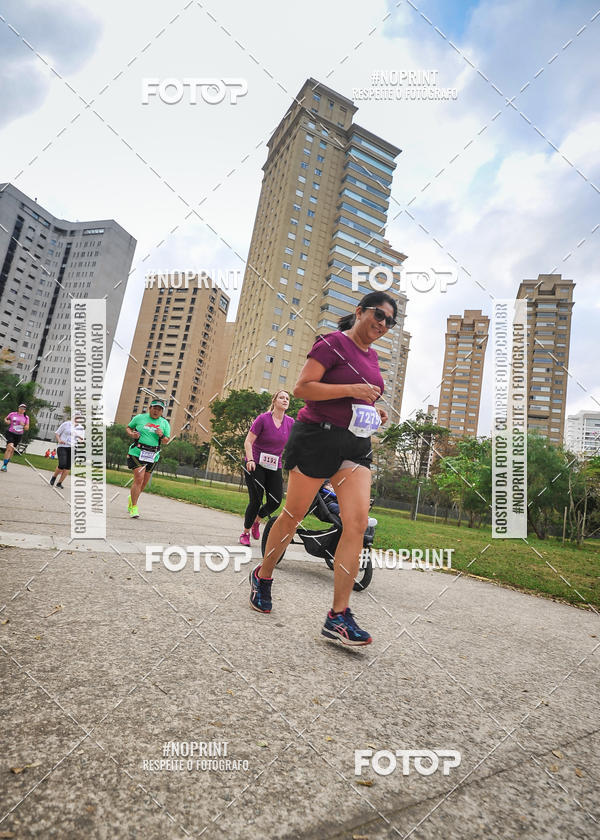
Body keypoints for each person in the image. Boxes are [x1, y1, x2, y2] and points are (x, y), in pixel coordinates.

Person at [251, 291, 396, 646]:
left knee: (357, 523)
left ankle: (339, 616)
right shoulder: (331, 344)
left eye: (390, 321)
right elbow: (303, 388)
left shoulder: (374, 358)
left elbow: (360, 398)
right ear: (360, 311)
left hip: (355, 444)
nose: (382, 323)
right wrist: (351, 388)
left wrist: (373, 411)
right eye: (378, 314)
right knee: (293, 515)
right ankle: (263, 576)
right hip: (316, 438)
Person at [240, 390, 294, 546]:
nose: (285, 400)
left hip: (274, 465)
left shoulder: (290, 422)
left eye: (287, 398)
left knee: (276, 500)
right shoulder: (263, 419)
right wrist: (249, 459)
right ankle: (245, 533)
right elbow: (248, 441)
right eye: (281, 397)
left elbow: (298, 442)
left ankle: (257, 520)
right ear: (275, 401)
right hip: (255, 463)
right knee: (256, 500)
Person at [125, 399, 171, 518]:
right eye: (154, 408)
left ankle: (132, 498)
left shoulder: (164, 423)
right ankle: (134, 507)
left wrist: (162, 435)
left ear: (162, 412)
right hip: (137, 452)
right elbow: (128, 428)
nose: (156, 411)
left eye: (159, 409)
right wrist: (132, 434)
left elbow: (166, 441)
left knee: (144, 483)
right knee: (139, 478)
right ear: (150, 408)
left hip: (152, 455)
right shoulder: (140, 418)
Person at [49, 414, 85, 489]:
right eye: (76, 417)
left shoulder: (81, 428)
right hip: (63, 446)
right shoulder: (66, 424)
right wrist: (59, 440)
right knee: (62, 464)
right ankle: (54, 477)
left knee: (68, 466)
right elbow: (57, 433)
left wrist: (79, 437)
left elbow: (81, 440)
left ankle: (59, 483)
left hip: (73, 448)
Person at [1, 403, 30, 471]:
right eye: (21, 408)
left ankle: (6, 464)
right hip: (10, 433)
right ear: (18, 408)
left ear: (25, 410)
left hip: (18, 435)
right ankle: (4, 466)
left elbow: (27, 428)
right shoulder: (12, 414)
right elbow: (6, 419)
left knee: (12, 450)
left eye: (24, 409)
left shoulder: (26, 417)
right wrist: (7, 421)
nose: (22, 409)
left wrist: (23, 425)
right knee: (9, 448)